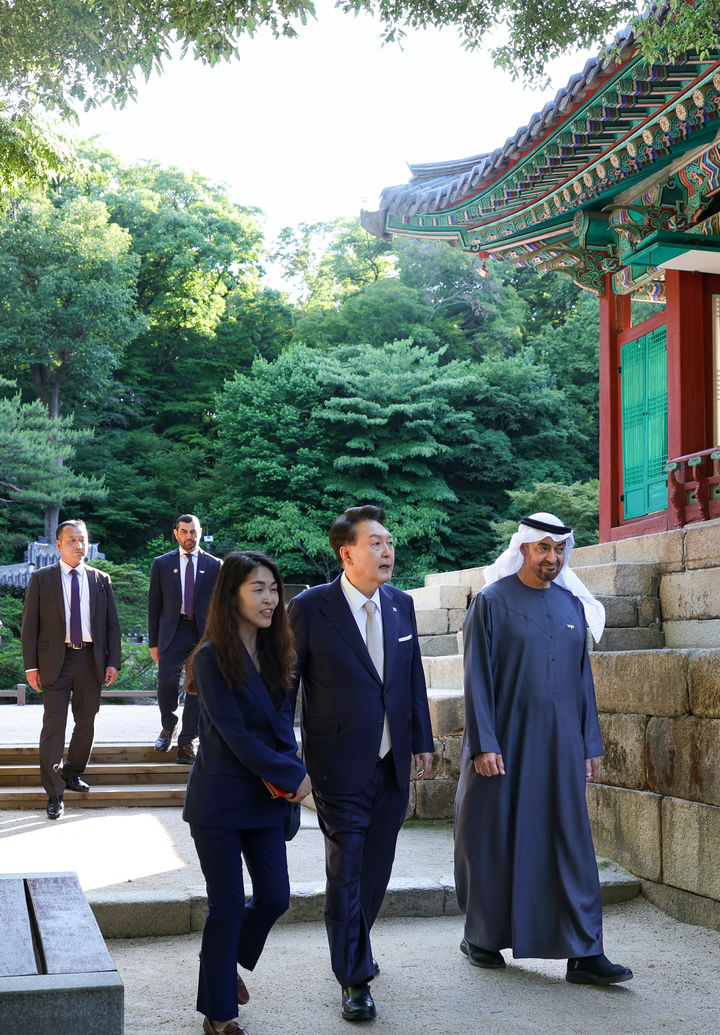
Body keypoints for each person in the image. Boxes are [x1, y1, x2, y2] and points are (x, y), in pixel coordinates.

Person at [454, 512, 633, 985]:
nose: (552, 558)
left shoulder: (572, 607)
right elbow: (476, 680)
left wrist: (589, 742)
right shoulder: (490, 602)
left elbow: (582, 683)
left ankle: (585, 951)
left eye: (559, 549)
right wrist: (483, 743)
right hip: (503, 746)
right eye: (543, 548)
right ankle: (482, 937)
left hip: (560, 749)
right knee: (495, 837)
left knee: (570, 842)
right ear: (525, 549)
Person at [288, 504, 434, 1022]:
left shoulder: (401, 605)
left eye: (390, 541)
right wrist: (288, 762)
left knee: (376, 871)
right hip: (337, 766)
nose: (388, 549)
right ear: (347, 552)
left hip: (392, 763)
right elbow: (288, 686)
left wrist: (423, 741)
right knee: (346, 870)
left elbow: (410, 677)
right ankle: (353, 977)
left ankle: (356, 945)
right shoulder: (309, 608)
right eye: (376, 542)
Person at [183, 550, 311, 1035]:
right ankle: (219, 1016)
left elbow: (282, 725)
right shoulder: (212, 657)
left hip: (265, 799)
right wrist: (297, 780)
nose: (270, 599)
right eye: (258, 588)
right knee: (228, 903)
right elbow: (237, 737)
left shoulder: (279, 650)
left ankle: (222, 955)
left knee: (276, 897)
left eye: (274, 589)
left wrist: (292, 771)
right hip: (218, 800)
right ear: (231, 595)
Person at [21, 519, 121, 820]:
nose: (79, 546)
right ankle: (54, 794)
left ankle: (72, 772)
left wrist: (113, 660)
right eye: (73, 541)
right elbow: (30, 627)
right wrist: (31, 666)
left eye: (83, 540)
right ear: (59, 545)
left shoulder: (101, 579)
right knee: (54, 727)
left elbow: (112, 626)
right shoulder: (42, 579)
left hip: (90, 660)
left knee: (86, 722)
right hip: (55, 662)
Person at [148, 513, 221, 763]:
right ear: (176, 533)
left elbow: (220, 606)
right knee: (167, 683)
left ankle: (187, 741)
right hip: (172, 630)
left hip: (203, 634)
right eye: (184, 531)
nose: (189, 536)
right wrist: (153, 642)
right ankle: (169, 726)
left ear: (200, 533)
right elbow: (154, 605)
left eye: (193, 531)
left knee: (197, 688)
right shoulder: (162, 564)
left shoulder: (215, 565)